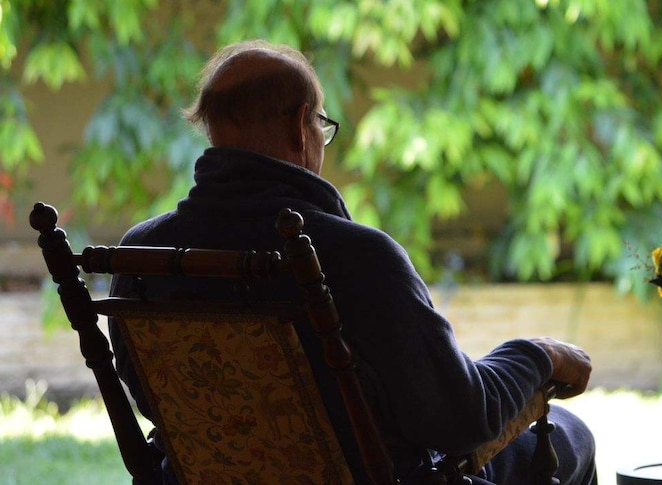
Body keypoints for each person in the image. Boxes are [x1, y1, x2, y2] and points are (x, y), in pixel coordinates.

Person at [109, 39, 598, 485]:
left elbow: (155, 400)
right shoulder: (356, 256)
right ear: (301, 126)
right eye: (322, 124)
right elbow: (460, 421)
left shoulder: (143, 254)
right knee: (571, 436)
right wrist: (538, 354)